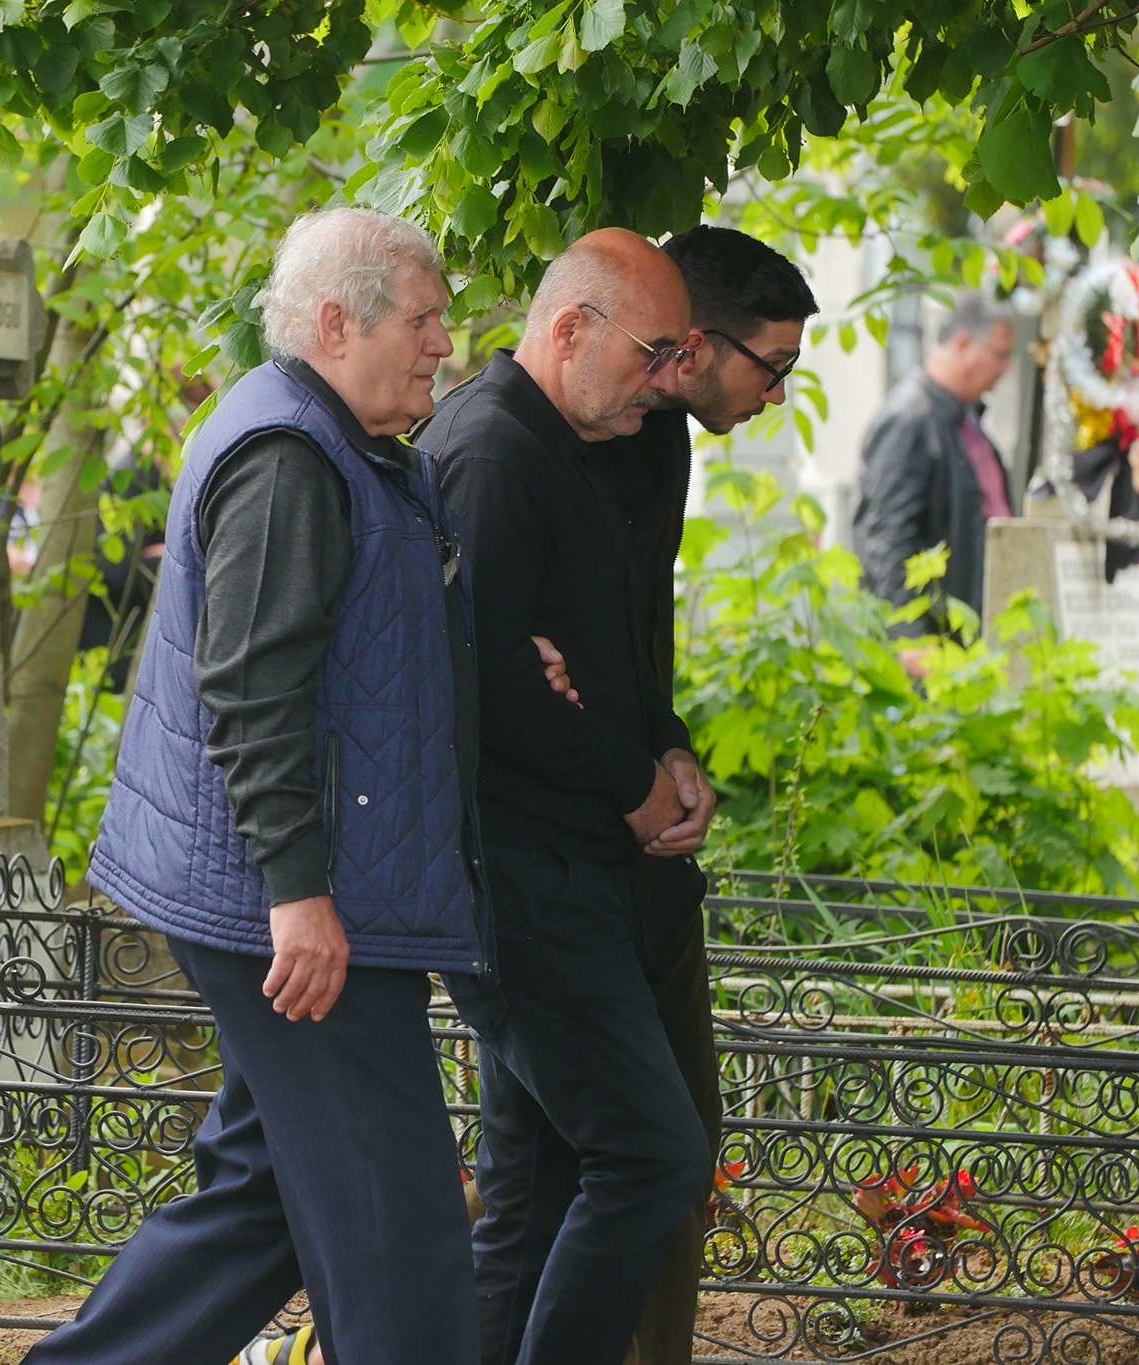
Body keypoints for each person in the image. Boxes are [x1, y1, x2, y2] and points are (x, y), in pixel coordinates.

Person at [28, 207, 485, 1365]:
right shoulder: (288, 457)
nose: (442, 344)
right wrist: (298, 892)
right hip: (300, 912)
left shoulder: (327, 440)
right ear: (336, 323)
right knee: (398, 1226)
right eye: (423, 321)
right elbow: (249, 688)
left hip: (297, 896)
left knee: (265, 1197)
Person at [413, 228, 711, 1365]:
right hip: (519, 877)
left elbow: (613, 651)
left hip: (569, 868)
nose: (666, 380)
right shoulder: (492, 452)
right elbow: (483, 688)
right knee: (651, 1156)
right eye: (652, 353)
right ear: (570, 329)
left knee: (532, 1192)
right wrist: (630, 782)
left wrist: (666, 751)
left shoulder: (584, 443)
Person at [586, 224, 818, 1365]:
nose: (776, 396)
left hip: (642, 849)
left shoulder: (662, 437)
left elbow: (633, 637)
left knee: (679, 1139)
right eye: (771, 367)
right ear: (696, 345)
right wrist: (629, 775)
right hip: (560, 861)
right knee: (627, 1153)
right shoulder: (534, 442)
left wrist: (670, 750)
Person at [851, 293, 1016, 636]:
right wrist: (909, 637)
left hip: (968, 636)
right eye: (1000, 355)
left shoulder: (964, 419)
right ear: (963, 344)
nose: (1007, 368)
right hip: (932, 643)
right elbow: (886, 539)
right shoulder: (909, 419)